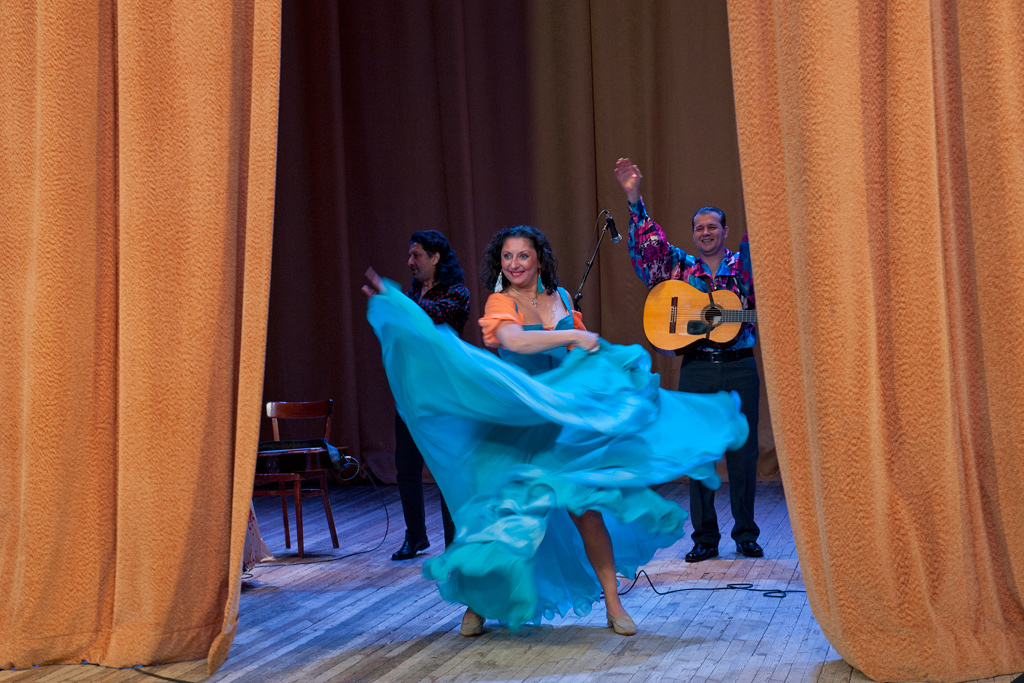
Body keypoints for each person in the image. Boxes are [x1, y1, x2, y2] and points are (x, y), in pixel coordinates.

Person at [364, 224, 748, 638]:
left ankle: (614, 604)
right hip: (515, 425)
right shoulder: (500, 301)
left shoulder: (561, 298)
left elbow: (578, 357)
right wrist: (573, 335)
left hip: (562, 428)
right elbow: (516, 342)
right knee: (502, 521)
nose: (514, 264)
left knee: (588, 514)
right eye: (507, 256)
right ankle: (479, 604)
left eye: (522, 255)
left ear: (539, 259)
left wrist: (601, 369)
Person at [614, 157, 763, 563]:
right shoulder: (680, 268)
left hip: (740, 366)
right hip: (697, 367)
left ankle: (746, 534)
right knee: (698, 453)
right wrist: (634, 198)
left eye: (713, 226)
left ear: (725, 231)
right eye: (699, 228)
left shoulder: (745, 267)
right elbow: (651, 253)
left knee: (744, 454)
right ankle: (705, 538)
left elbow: (770, 291)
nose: (706, 232)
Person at [390, 230, 470, 560]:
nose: (410, 261)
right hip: (411, 392)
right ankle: (415, 536)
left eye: (417, 255)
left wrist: (395, 303)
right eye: (410, 255)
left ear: (436, 258)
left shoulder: (456, 293)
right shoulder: (411, 294)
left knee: (446, 469)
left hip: (443, 396)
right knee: (406, 468)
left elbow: (431, 317)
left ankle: (454, 543)